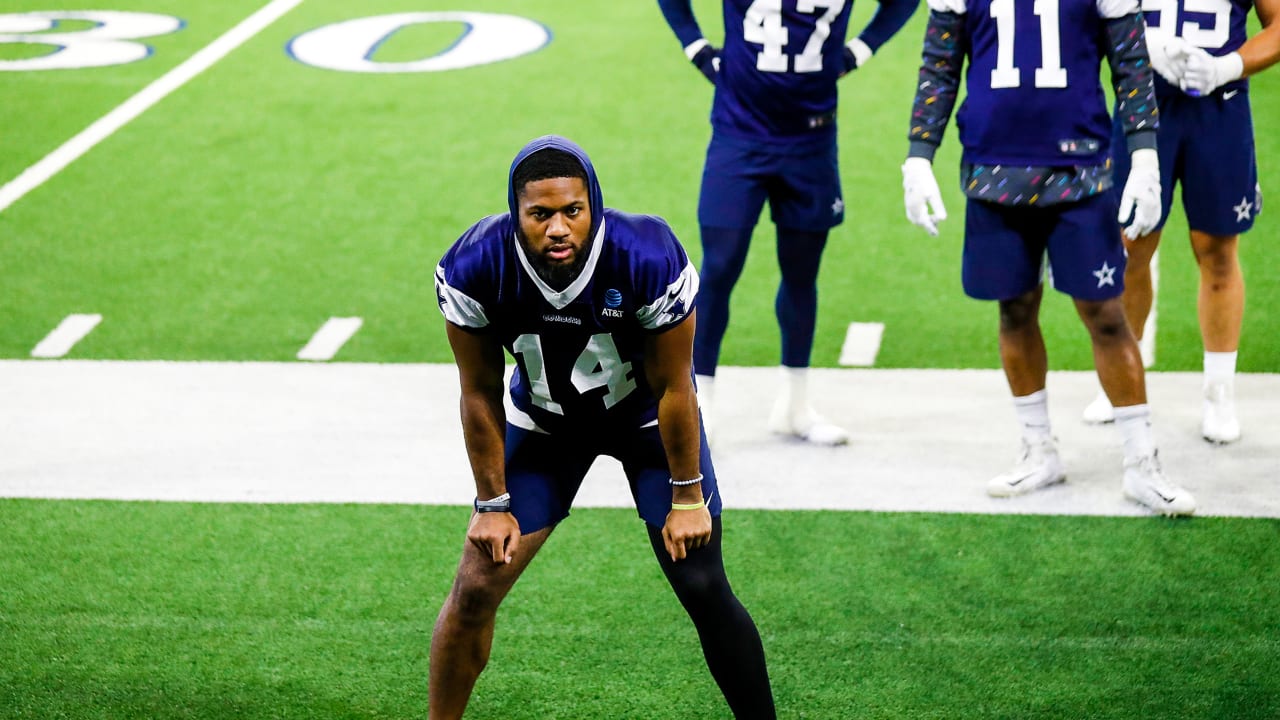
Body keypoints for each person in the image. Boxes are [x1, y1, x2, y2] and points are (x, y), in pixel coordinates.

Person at [429, 135, 776, 719]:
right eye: (540, 214)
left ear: (594, 204)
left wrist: (687, 494)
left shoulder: (645, 253)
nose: (558, 228)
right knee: (475, 586)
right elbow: (477, 391)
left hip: (645, 425)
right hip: (546, 427)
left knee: (702, 585)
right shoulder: (475, 264)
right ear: (516, 215)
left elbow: (675, 387)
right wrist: (493, 503)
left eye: (572, 210)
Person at [898, 0, 1196, 514]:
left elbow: (1131, 62)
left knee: (1106, 313)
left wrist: (1145, 153)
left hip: (1079, 168)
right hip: (994, 169)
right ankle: (1039, 451)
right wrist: (918, 155)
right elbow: (939, 65)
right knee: (1013, 309)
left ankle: (1142, 463)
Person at [657, 0, 918, 445]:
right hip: (739, 136)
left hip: (811, 139)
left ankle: (795, 405)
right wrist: (697, 48)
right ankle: (702, 403)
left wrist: (859, 50)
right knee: (719, 267)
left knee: (802, 273)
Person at [1080, 0, 1280, 444]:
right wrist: (1144, 44)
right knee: (1129, 245)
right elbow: (1086, 16)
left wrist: (1229, 66)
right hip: (1141, 106)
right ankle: (1120, 381)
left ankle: (1219, 391)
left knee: (1218, 250)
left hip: (1220, 108)